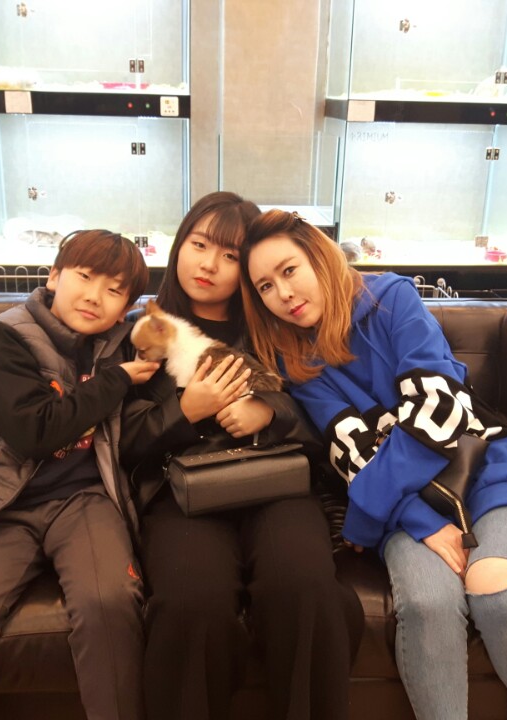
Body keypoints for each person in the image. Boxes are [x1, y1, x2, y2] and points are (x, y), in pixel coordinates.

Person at [240, 210, 507, 720]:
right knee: (427, 604)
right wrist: (416, 519)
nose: (282, 293)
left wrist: (366, 512)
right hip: (404, 503)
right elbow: (350, 452)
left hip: (488, 467)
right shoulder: (292, 359)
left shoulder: (391, 298)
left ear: (318, 256)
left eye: (289, 270)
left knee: (499, 590)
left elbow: (439, 411)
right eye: (265, 286)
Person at [122, 192, 364, 720]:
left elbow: (322, 418)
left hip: (274, 481)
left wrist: (268, 412)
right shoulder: (143, 330)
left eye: (230, 255)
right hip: (180, 491)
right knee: (192, 602)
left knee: (303, 587)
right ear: (179, 245)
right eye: (199, 245)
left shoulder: (277, 324)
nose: (209, 264)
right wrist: (184, 411)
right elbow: (121, 439)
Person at [0, 230, 160, 720]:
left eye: (114, 290)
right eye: (84, 277)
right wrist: (117, 380)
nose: (94, 296)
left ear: (126, 306)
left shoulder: (128, 342)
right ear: (54, 276)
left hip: (86, 498)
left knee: (109, 605)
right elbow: (33, 432)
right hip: (1, 500)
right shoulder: (5, 337)